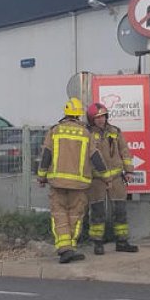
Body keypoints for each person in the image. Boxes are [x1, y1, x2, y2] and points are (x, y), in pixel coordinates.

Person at [37, 98, 107, 264]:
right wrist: (106, 177)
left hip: (57, 183)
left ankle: (64, 249)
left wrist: (41, 177)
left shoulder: (55, 131)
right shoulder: (86, 133)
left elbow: (46, 155)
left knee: (59, 215)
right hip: (79, 185)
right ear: (78, 115)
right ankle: (71, 248)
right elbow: (96, 157)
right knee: (75, 217)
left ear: (66, 113)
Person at [86, 102, 138, 255]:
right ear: (91, 119)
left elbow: (125, 151)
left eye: (103, 116)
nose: (101, 120)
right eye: (97, 117)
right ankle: (98, 243)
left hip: (116, 178)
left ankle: (122, 241)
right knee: (97, 212)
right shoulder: (87, 133)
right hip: (97, 180)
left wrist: (129, 171)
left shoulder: (115, 131)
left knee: (120, 210)